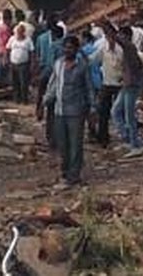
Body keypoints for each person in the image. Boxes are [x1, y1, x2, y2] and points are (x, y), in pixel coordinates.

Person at [43, 35, 95, 188]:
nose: (67, 50)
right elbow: (53, 85)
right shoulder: (58, 64)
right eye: (65, 47)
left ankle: (74, 176)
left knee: (75, 144)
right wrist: (45, 101)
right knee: (63, 144)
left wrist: (92, 108)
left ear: (76, 49)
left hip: (76, 111)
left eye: (71, 47)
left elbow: (89, 88)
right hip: (60, 111)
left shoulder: (82, 66)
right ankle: (65, 173)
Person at [112, 28, 143, 156]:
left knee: (129, 115)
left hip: (131, 85)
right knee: (116, 111)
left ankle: (134, 144)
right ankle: (128, 138)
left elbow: (116, 38)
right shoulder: (129, 50)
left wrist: (106, 25)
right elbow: (139, 65)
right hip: (127, 85)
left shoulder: (129, 47)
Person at [95, 26, 123, 147]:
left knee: (120, 112)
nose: (110, 39)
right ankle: (103, 137)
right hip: (107, 83)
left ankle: (124, 135)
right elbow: (94, 59)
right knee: (103, 112)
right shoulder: (102, 49)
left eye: (112, 36)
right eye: (108, 36)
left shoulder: (122, 49)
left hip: (120, 84)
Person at [7, 22, 35, 104]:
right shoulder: (12, 39)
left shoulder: (28, 40)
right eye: (17, 32)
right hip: (13, 64)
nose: (18, 34)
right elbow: (8, 49)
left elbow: (32, 51)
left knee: (24, 83)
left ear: (23, 32)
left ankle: (24, 99)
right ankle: (16, 99)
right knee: (15, 82)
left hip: (23, 64)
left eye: (20, 32)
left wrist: (33, 63)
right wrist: (7, 59)